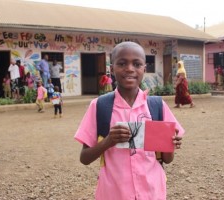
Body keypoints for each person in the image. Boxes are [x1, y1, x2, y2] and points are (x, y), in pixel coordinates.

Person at [74, 41, 184, 200]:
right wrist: (109, 141)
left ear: (144, 69)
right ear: (112, 69)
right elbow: (84, 158)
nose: (130, 69)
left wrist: (170, 144)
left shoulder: (157, 106)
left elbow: (167, 159)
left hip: (152, 193)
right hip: (113, 194)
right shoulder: (100, 106)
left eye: (137, 64)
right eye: (122, 63)